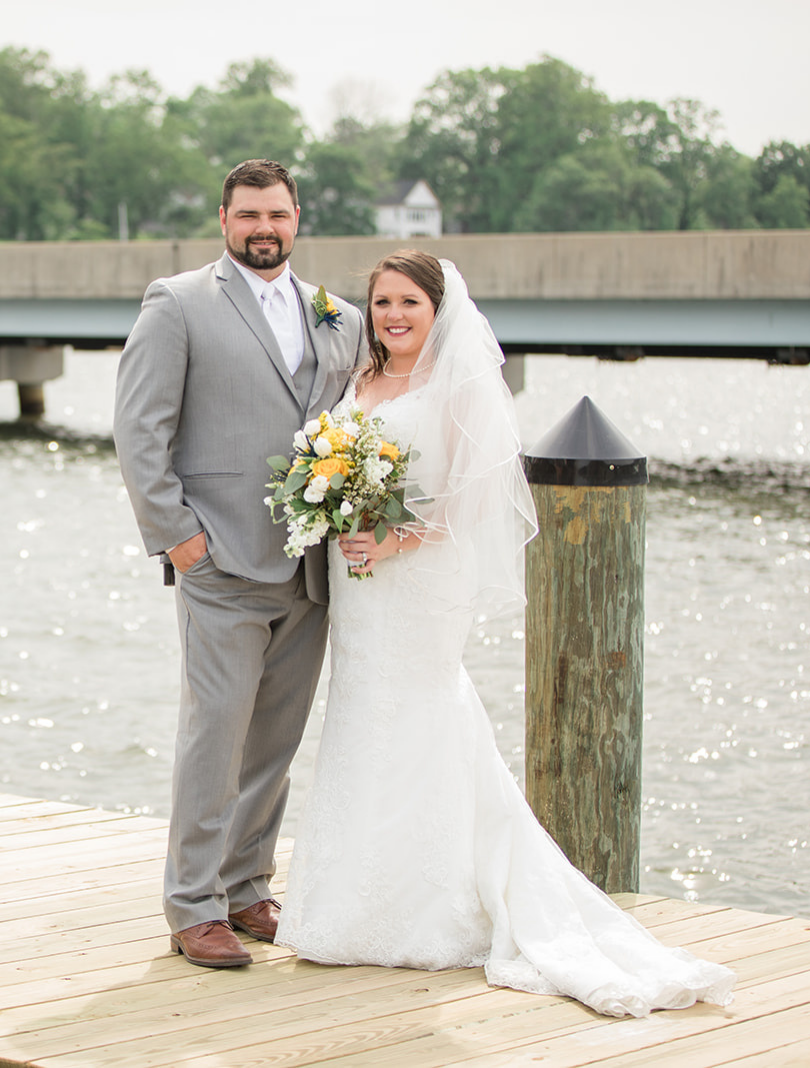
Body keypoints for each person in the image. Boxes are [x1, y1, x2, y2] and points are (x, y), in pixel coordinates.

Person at [275, 249, 736, 1016]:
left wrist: (397, 539)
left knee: (420, 711)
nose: (393, 316)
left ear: (438, 311)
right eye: (383, 302)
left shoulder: (456, 386)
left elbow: (476, 486)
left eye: (409, 304)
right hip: (359, 584)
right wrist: (335, 509)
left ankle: (434, 907)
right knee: (361, 719)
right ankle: (348, 904)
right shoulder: (359, 381)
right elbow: (345, 467)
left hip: (419, 579)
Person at [114, 159, 368, 968]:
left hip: (310, 567)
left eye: (279, 215)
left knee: (274, 741)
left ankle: (248, 884)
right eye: (250, 214)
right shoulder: (178, 303)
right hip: (218, 560)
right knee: (214, 736)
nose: (266, 228)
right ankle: (193, 904)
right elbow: (139, 429)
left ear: (298, 220)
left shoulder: (342, 318)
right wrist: (178, 537)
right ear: (224, 220)